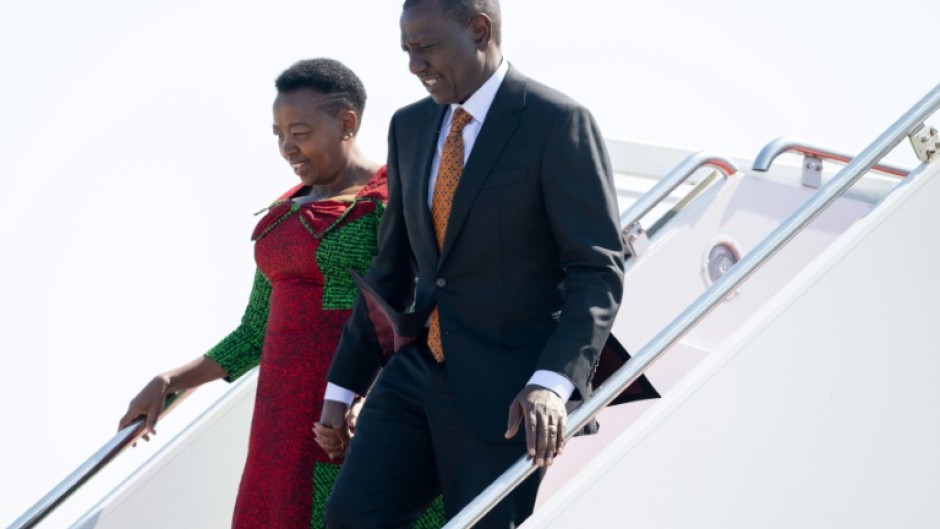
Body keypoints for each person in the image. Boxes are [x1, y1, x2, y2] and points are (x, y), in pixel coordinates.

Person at [315, 1, 655, 527]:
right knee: (351, 519)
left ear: (479, 30)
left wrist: (552, 382)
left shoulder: (556, 123)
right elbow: (391, 269)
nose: (414, 66)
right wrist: (342, 386)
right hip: (415, 375)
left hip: (511, 397)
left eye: (425, 47)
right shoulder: (409, 127)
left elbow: (597, 268)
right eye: (406, 51)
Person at [118, 58, 445, 529]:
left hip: (352, 415)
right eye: (278, 134)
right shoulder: (286, 208)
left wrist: (362, 400)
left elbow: (410, 320)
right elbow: (255, 332)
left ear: (347, 123)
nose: (287, 147)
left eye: (301, 131)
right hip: (280, 423)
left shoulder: (392, 199)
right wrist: (171, 380)